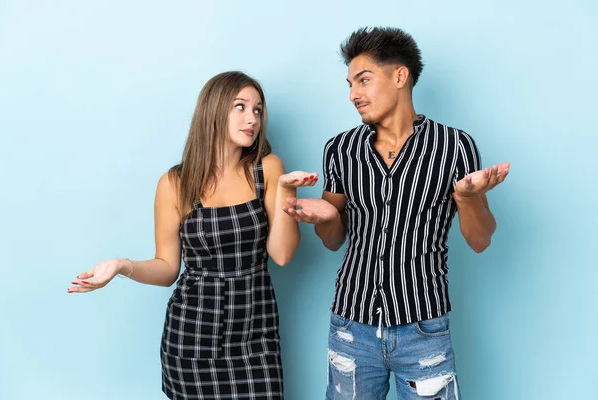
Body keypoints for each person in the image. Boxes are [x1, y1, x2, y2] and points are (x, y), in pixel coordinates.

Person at [283, 27, 510, 399]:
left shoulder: (454, 146)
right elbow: (333, 241)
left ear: (400, 76)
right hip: (350, 327)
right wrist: (327, 219)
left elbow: (481, 240)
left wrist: (467, 198)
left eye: (364, 80)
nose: (354, 94)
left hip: (423, 328)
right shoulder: (341, 149)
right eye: (350, 84)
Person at [68, 71, 318, 400]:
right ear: (212, 110)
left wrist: (285, 190)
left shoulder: (268, 168)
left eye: (258, 110)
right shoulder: (175, 183)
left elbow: (283, 255)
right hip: (192, 335)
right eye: (240, 107)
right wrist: (119, 265)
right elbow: (167, 268)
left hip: (256, 334)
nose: (251, 118)